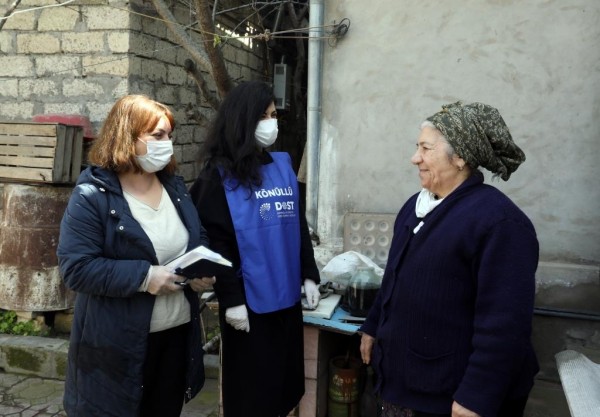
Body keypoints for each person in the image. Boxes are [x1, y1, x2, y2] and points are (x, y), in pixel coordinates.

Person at [359, 102, 539, 417]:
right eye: (417, 147)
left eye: (426, 149)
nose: (415, 158)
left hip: (449, 397)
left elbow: (505, 324)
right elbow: (394, 277)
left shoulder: (499, 224)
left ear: (460, 158)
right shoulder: (416, 206)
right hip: (404, 384)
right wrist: (373, 326)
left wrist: (476, 397)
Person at [57, 95, 216, 417]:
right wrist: (146, 277)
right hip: (117, 344)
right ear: (126, 136)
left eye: (169, 136)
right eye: (157, 136)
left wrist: (202, 270)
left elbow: (196, 236)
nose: (167, 144)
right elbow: (77, 268)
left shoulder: (174, 186)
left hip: (175, 337)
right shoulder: (92, 195)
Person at [189, 80, 322, 417]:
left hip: (286, 298)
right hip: (249, 306)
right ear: (243, 121)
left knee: (284, 388)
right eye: (263, 116)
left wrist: (309, 274)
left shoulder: (282, 167)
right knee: (252, 395)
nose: (271, 123)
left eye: (274, 114)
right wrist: (231, 301)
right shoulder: (217, 178)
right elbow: (215, 245)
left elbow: (296, 224)